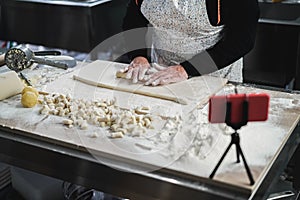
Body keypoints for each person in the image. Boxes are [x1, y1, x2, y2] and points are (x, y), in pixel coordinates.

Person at [120, 0, 260, 86]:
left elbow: (242, 40)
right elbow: (133, 20)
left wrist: (185, 69)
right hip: (160, 74)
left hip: (215, 78)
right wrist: (138, 56)